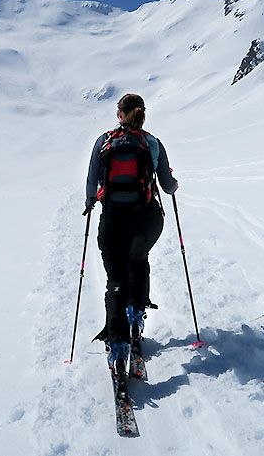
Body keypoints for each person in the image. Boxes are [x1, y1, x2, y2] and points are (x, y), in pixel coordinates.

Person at [84, 93, 178, 347]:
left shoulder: (104, 142)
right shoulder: (152, 143)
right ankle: (136, 314)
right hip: (146, 219)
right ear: (142, 114)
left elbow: (92, 182)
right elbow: (168, 187)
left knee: (116, 278)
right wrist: (174, 184)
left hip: (113, 220)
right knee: (138, 259)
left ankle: (116, 341)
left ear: (120, 114)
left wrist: (90, 201)